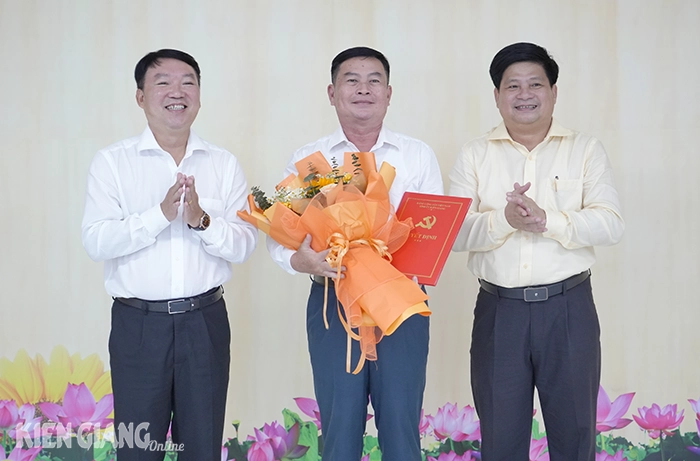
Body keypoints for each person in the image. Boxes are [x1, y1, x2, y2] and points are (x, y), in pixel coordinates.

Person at [448, 42, 624, 461]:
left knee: (575, 436)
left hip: (568, 310)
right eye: (513, 86)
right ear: (497, 95)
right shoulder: (475, 154)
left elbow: (610, 224)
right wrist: (504, 219)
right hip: (499, 312)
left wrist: (549, 220)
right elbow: (454, 235)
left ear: (554, 92)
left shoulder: (585, 149)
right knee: (501, 439)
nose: (524, 94)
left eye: (535, 84)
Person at [267, 47, 443, 461]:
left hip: (400, 302)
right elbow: (279, 232)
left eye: (374, 80)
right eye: (352, 80)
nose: (363, 89)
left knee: (401, 426)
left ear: (388, 93)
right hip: (333, 300)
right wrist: (299, 261)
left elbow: (432, 232)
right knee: (339, 426)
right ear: (332, 93)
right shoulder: (308, 160)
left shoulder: (416, 155)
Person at [81, 49, 257, 461]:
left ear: (199, 96)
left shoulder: (223, 164)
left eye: (188, 82)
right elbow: (96, 241)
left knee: (202, 446)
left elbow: (244, 244)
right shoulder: (113, 163)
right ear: (141, 97)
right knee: (138, 449)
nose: (177, 92)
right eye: (163, 82)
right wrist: (159, 216)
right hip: (138, 326)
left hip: (205, 322)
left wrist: (201, 220)